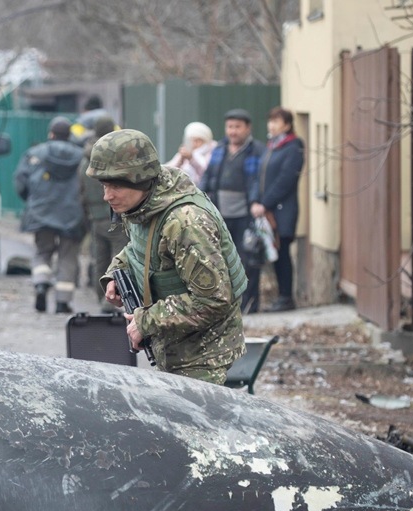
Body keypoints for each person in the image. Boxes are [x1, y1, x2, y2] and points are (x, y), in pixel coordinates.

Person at [87, 129, 247, 385]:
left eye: (115, 185)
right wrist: (115, 273)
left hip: (203, 356)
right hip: (173, 347)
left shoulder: (185, 223)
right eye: (104, 185)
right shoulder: (145, 205)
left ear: (138, 179)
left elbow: (214, 300)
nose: (107, 196)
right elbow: (140, 249)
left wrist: (145, 321)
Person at [13, 116, 85, 313]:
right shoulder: (81, 157)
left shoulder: (34, 154)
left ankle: (41, 282)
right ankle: (62, 302)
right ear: (69, 135)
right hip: (72, 214)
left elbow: (20, 182)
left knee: (43, 251)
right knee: (67, 256)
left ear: (51, 134)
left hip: (42, 211)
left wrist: (32, 201)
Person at [202, 108, 265, 313]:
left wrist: (256, 201)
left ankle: (249, 304)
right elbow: (208, 177)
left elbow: (258, 182)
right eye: (230, 127)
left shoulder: (257, 151)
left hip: (245, 215)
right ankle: (227, 304)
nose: (233, 131)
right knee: (221, 260)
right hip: (220, 214)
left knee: (247, 260)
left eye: (237, 127)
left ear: (248, 128)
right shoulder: (220, 149)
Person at [252, 107, 305, 312]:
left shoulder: (294, 146)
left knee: (282, 253)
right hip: (266, 210)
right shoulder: (272, 146)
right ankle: (281, 296)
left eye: (277, 121)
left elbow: (286, 180)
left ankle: (286, 297)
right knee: (273, 253)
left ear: (288, 125)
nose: (271, 125)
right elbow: (259, 177)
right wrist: (257, 201)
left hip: (282, 211)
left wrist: (265, 203)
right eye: (270, 121)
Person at [79, 114, 125, 313]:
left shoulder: (85, 157)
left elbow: (80, 190)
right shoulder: (115, 156)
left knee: (100, 258)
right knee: (119, 256)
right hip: (115, 213)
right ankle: (112, 300)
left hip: (94, 215)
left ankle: (101, 298)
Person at [164, 122, 216, 188]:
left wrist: (191, 159)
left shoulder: (212, 153)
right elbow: (168, 171)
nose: (194, 144)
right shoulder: (185, 153)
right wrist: (180, 160)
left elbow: (206, 174)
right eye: (192, 140)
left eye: (198, 141)